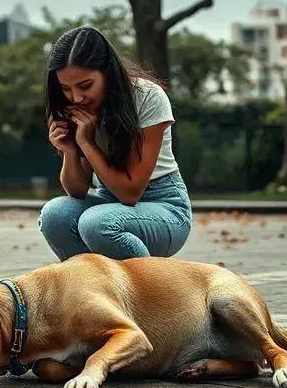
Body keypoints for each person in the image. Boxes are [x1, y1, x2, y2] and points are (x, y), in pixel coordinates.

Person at [38, 26, 192, 261]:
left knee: (97, 223)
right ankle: (92, 291)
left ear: (107, 73)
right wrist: (70, 150)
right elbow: (77, 190)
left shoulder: (146, 96)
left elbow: (130, 193)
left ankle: (147, 294)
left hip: (164, 207)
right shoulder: (74, 109)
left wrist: (88, 144)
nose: (76, 98)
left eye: (85, 85)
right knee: (55, 215)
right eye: (66, 88)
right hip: (107, 201)